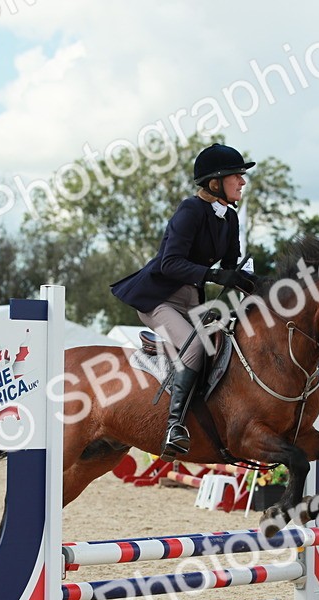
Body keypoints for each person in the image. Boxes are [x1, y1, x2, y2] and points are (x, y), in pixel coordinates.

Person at [111, 142, 259, 458]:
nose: (242, 182)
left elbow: (232, 268)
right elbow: (170, 263)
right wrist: (216, 276)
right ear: (216, 181)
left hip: (193, 301)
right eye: (237, 176)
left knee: (229, 341)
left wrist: (261, 285)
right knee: (195, 345)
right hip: (160, 300)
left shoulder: (229, 218)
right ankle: (174, 426)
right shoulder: (190, 211)